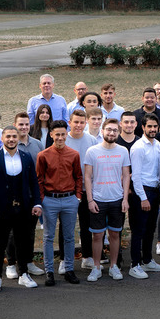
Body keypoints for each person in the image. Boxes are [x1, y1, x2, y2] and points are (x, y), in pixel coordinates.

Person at [0, 126, 42, 293]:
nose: (11, 139)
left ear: (18, 138)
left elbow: (34, 182)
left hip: (23, 208)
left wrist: (37, 203)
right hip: (1, 209)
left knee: (22, 242)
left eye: (14, 136)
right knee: (0, 244)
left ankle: (23, 274)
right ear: (2, 138)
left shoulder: (26, 157)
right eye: (8, 136)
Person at [82, 118, 131, 282]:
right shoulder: (92, 151)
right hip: (98, 200)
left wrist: (125, 199)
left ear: (118, 132)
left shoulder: (123, 151)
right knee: (97, 236)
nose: (111, 133)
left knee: (115, 234)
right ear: (102, 131)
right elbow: (87, 177)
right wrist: (90, 200)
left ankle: (113, 266)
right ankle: (96, 267)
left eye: (115, 130)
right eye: (109, 129)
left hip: (117, 199)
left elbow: (126, 176)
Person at [36, 120, 82, 286]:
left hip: (70, 199)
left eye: (63, 134)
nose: (60, 138)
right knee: (48, 237)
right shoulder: (43, 155)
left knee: (69, 236)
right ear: (51, 135)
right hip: (50, 200)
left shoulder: (74, 154)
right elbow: (39, 179)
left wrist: (77, 197)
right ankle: (49, 271)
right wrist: (42, 200)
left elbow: (78, 176)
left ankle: (69, 269)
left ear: (66, 134)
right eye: (57, 135)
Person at [4, 112, 45, 279]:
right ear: (15, 125)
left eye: (26, 124)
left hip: (32, 195)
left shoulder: (37, 144)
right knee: (12, 233)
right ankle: (11, 264)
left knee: (29, 231)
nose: (24, 127)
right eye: (20, 124)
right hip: (13, 196)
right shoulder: (10, 145)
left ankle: (28, 262)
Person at [127, 113, 160, 279]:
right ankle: (135, 264)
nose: (152, 129)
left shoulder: (157, 144)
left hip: (154, 190)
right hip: (141, 193)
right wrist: (143, 197)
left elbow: (157, 170)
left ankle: (147, 260)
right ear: (143, 127)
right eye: (149, 126)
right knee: (139, 229)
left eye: (155, 126)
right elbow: (135, 176)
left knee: (150, 228)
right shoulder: (138, 148)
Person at [66, 110, 99, 271]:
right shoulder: (64, 139)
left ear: (85, 123)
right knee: (67, 226)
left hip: (87, 189)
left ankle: (87, 257)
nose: (78, 125)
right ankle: (65, 260)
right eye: (75, 122)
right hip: (68, 190)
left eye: (81, 122)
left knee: (86, 225)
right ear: (70, 123)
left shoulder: (91, 140)